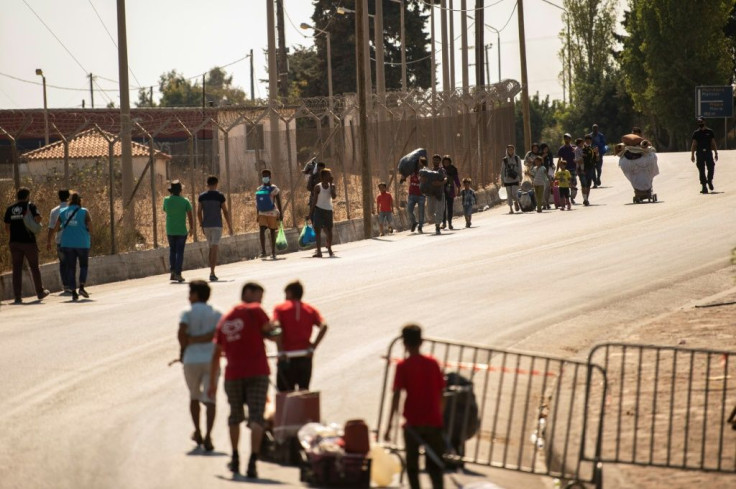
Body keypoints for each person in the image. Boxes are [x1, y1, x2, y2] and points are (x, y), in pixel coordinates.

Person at [208, 282, 281, 478]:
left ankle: (235, 457)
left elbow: (216, 353)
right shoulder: (255, 310)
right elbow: (271, 334)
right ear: (248, 293)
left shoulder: (225, 319)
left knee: (234, 417)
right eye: (259, 296)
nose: (261, 301)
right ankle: (252, 462)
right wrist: (277, 328)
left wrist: (212, 382)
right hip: (257, 372)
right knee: (257, 417)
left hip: (233, 375)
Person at [384, 324, 445, 489]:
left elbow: (396, 396)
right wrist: (440, 416)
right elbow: (441, 393)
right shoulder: (433, 364)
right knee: (435, 467)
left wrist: (389, 425)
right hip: (433, 422)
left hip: (413, 424)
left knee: (412, 466)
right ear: (422, 341)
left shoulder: (403, 366)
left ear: (404, 343)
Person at [178, 280, 221, 452]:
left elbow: (181, 333)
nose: (188, 296)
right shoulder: (217, 313)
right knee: (211, 398)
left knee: (194, 397)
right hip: (211, 360)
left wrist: (186, 346)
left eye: (190, 293)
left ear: (196, 295)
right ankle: (209, 435)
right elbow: (218, 335)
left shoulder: (186, 312)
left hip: (191, 360)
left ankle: (197, 430)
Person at [273, 280, 328, 392]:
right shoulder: (310, 309)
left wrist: (280, 349)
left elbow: (277, 327)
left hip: (286, 356)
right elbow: (324, 326)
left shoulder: (280, 308)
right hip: (305, 355)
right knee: (304, 391)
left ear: (289, 293)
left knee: (285, 395)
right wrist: (313, 346)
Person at [4, 187, 49, 304]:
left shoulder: (10, 209)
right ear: (27, 196)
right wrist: (33, 225)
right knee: (34, 267)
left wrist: (14, 235)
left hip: (14, 242)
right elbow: (38, 218)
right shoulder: (30, 206)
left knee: (17, 269)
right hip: (28, 242)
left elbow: (7, 227)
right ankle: (40, 292)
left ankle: (17, 297)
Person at [55, 192, 92, 302]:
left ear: (69, 200)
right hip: (82, 243)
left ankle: (73, 292)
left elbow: (57, 228)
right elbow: (91, 228)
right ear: (80, 201)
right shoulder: (85, 212)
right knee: (83, 266)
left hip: (67, 244)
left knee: (71, 268)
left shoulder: (62, 212)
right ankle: (81, 287)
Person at [198, 175, 233, 281]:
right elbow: (225, 211)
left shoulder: (202, 196)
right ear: (216, 184)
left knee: (211, 248)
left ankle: (211, 271)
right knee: (214, 249)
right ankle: (212, 272)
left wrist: (201, 224)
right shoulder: (220, 196)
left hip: (206, 226)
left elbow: (198, 212)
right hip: (217, 225)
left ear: (207, 184)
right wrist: (230, 226)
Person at [163, 180, 193, 283]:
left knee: (172, 250)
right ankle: (178, 273)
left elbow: (165, 210)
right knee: (180, 252)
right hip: (181, 230)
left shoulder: (166, 200)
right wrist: (192, 228)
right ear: (180, 190)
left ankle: (172, 272)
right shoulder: (185, 201)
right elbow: (190, 216)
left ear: (171, 190)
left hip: (170, 229)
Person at [47, 189, 71, 293]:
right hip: (72, 241)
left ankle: (66, 285)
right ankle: (71, 284)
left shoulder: (54, 211)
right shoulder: (73, 209)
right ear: (68, 197)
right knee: (71, 263)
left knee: (63, 263)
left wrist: (48, 241)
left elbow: (51, 228)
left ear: (58, 197)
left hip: (60, 241)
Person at [255, 169, 283, 259]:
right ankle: (263, 251)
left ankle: (273, 252)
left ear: (270, 177)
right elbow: (257, 203)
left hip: (272, 212)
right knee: (262, 230)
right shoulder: (259, 189)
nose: (265, 178)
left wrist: (281, 213)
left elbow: (278, 201)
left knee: (272, 231)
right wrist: (257, 214)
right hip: (262, 212)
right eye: (263, 176)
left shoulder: (274, 188)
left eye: (266, 176)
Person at [310, 168, 337, 257]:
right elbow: (314, 200)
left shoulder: (332, 186)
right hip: (319, 210)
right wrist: (311, 212)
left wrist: (330, 184)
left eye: (330, 174)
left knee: (329, 230)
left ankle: (329, 248)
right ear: (322, 177)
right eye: (328, 175)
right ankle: (319, 252)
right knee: (317, 231)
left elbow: (333, 197)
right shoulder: (318, 187)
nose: (330, 176)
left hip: (328, 210)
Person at [690, 116, 718, 194]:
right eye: (699, 122)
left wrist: (716, 153)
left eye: (701, 122)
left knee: (711, 167)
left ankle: (709, 180)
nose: (700, 123)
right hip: (700, 154)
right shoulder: (696, 133)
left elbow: (713, 143)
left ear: (704, 122)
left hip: (708, 152)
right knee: (701, 170)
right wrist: (692, 155)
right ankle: (704, 186)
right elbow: (694, 144)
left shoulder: (710, 132)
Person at [425, 154, 447, 234]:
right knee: (430, 212)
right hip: (431, 194)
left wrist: (440, 183)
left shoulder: (441, 170)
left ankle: (437, 226)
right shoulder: (429, 171)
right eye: (434, 160)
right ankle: (437, 221)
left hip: (439, 193)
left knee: (439, 210)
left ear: (439, 161)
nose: (435, 161)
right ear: (432, 161)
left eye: (437, 160)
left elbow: (445, 178)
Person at [406, 157, 426, 233]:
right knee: (409, 210)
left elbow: (425, 180)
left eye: (420, 162)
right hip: (412, 194)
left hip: (421, 194)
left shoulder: (425, 172)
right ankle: (414, 222)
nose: (419, 164)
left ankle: (420, 227)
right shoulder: (412, 171)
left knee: (421, 212)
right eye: (418, 162)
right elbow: (405, 173)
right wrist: (402, 177)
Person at [501, 145, 522, 214]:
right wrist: (502, 180)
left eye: (511, 149)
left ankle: (516, 201)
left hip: (515, 178)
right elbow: (502, 170)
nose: (510, 151)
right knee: (509, 194)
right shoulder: (505, 159)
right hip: (507, 179)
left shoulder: (517, 158)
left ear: (514, 150)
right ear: (507, 150)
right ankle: (511, 208)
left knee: (514, 192)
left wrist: (520, 177)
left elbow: (520, 168)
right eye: (509, 150)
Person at [441, 155, 461, 230]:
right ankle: (444, 223)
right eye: (444, 162)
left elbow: (456, 179)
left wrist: (458, 189)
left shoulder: (453, 169)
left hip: (450, 190)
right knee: (443, 207)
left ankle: (450, 223)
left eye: (447, 162)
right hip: (442, 190)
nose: (446, 163)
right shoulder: (441, 170)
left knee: (450, 208)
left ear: (450, 162)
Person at [557, 133, 577, 204]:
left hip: (573, 168)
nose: (566, 140)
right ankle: (567, 198)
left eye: (568, 138)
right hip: (565, 169)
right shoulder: (562, 149)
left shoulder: (574, 148)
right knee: (566, 184)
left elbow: (578, 157)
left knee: (574, 183)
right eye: (565, 138)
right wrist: (557, 169)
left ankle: (572, 198)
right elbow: (559, 159)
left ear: (570, 139)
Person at [580, 135, 597, 206]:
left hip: (591, 168)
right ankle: (584, 198)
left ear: (591, 141)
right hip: (583, 168)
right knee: (583, 184)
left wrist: (596, 153)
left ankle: (586, 199)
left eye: (589, 140)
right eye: (586, 140)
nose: (588, 141)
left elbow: (596, 159)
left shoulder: (592, 148)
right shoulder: (582, 148)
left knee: (588, 184)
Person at [540, 143, 555, 209]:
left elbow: (551, 163)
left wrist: (553, 166)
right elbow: (540, 163)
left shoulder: (550, 154)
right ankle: (544, 203)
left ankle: (548, 202)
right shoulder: (540, 155)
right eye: (544, 149)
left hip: (549, 173)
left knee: (548, 189)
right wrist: (543, 156)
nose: (546, 150)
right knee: (544, 189)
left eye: (547, 149)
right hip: (543, 173)